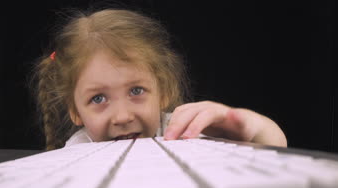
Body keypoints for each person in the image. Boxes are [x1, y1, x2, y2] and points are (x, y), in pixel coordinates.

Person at [33, 8, 287, 150]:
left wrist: (248, 126)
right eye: (98, 98)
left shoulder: (180, 133)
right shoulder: (79, 150)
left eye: (136, 91)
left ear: (163, 91)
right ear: (75, 111)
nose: (123, 116)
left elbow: (275, 148)